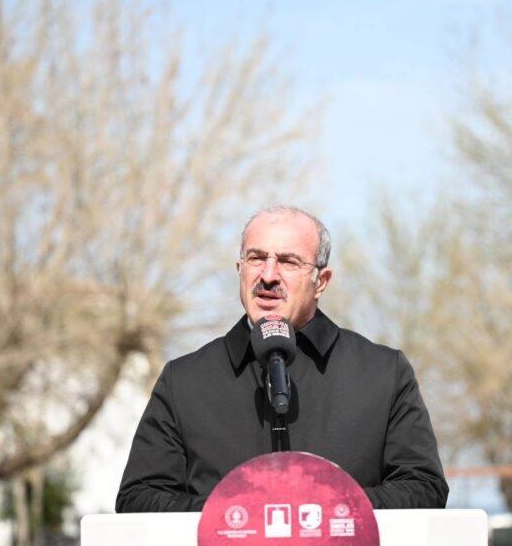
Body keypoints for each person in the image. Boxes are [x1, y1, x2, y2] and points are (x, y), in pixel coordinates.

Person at [116, 205, 448, 511]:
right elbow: (138, 498)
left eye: (289, 262)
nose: (269, 275)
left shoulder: (383, 374)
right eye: (256, 258)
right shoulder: (184, 381)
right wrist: (236, 514)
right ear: (239, 269)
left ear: (321, 281)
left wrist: (327, 508)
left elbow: (424, 488)